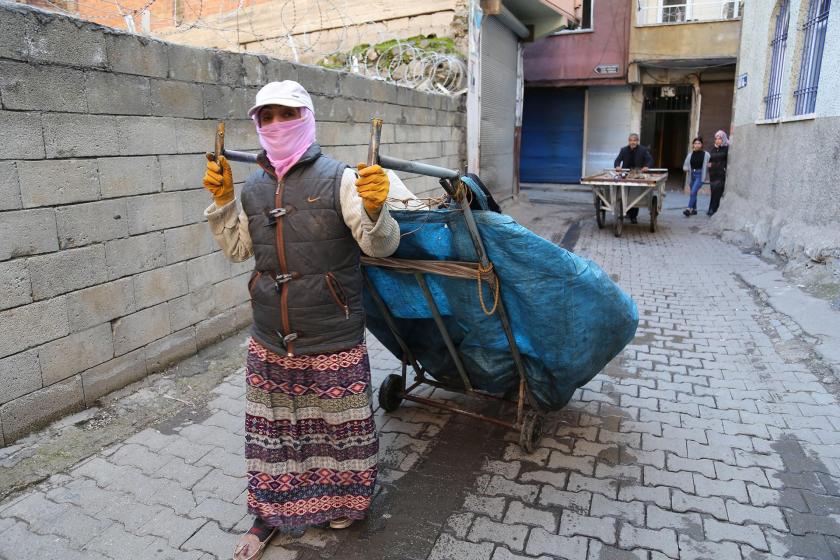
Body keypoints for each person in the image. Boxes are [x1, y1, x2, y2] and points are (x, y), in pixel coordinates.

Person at [201, 80, 402, 560]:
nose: (274, 125)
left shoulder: (342, 179)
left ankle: (344, 504)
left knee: (339, 432)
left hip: (332, 332)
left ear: (307, 118)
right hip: (272, 335)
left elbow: (383, 246)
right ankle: (270, 511)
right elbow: (237, 251)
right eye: (264, 117)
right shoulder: (251, 189)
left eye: (285, 114)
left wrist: (377, 209)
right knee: (276, 432)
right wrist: (224, 205)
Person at [614, 133, 654, 224]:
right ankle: (625, 211)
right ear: (628, 141)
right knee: (624, 193)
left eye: (634, 140)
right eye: (631, 140)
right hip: (625, 175)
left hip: (637, 174)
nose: (632, 142)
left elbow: (650, 160)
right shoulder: (623, 150)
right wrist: (617, 166)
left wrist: (647, 166)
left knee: (635, 194)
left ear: (637, 141)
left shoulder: (643, 150)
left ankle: (633, 216)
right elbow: (617, 160)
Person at [682, 136, 710, 217]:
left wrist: (711, 166)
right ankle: (695, 209)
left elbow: (711, 163)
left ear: (701, 145)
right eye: (695, 143)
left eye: (699, 143)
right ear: (693, 145)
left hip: (700, 175)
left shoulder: (706, 155)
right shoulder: (690, 155)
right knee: (694, 192)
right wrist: (687, 168)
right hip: (692, 175)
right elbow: (685, 166)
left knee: (693, 191)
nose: (697, 145)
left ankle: (688, 209)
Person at [706, 130, 729, 216]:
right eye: (716, 138)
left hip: (721, 174)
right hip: (713, 174)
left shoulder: (726, 148)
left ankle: (714, 210)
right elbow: (710, 161)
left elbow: (726, 161)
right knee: (713, 191)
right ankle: (710, 209)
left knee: (718, 191)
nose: (717, 140)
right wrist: (710, 166)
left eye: (720, 138)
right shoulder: (714, 149)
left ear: (723, 139)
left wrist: (716, 165)